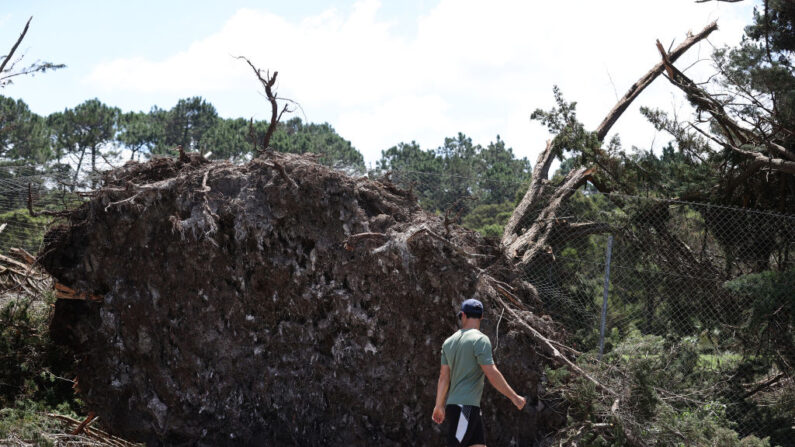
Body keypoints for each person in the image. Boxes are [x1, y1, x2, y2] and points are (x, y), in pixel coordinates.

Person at [432, 298, 526, 447]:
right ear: (481, 317)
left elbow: (444, 377)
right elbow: (491, 373)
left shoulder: (448, 342)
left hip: (462, 407)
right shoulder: (480, 340)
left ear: (463, 315)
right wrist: (514, 397)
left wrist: (439, 405)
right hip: (466, 407)